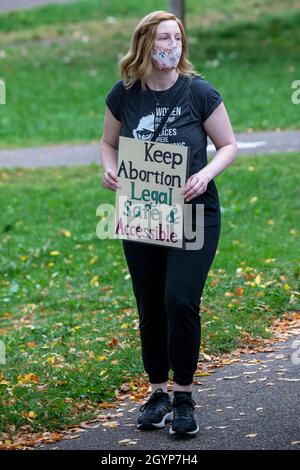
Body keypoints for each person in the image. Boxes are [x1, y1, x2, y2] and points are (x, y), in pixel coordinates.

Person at [100, 10, 237, 438]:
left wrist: (205, 175)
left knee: (180, 300)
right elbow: (108, 143)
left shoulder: (199, 92)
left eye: (177, 37)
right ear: (145, 43)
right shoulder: (124, 94)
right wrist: (109, 171)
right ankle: (157, 393)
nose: (172, 45)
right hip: (143, 210)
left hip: (195, 210)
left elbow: (228, 145)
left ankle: (183, 397)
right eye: (163, 37)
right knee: (150, 305)